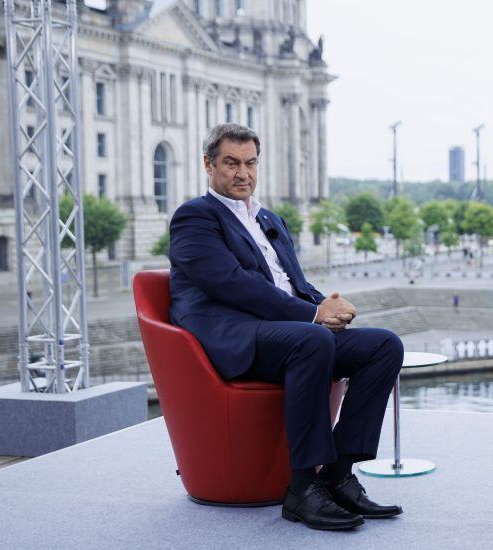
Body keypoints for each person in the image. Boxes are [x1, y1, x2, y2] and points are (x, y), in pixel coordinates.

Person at [169, 124, 404, 531]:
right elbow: (232, 284)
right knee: (313, 339)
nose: (243, 173)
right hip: (234, 337)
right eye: (231, 163)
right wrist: (314, 317)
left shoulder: (268, 218)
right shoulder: (195, 217)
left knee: (384, 346)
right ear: (208, 164)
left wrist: (329, 307)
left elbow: (294, 283)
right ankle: (302, 488)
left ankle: (337, 475)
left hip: (289, 334)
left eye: (250, 163)